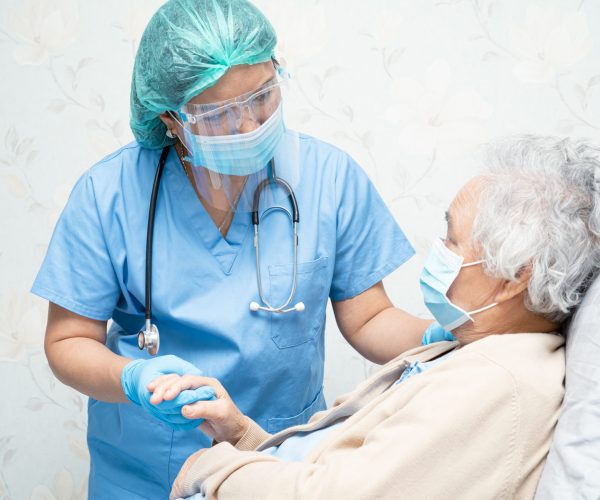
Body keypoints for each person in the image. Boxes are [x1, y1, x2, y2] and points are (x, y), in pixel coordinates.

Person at [31, 1, 432, 498]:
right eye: (221, 113)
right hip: (147, 471)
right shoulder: (108, 193)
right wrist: (132, 377)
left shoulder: (330, 177)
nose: (248, 126)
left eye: (262, 97)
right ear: (172, 118)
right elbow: (68, 340)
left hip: (278, 459)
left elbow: (370, 318)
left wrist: (446, 335)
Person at [166, 135, 600, 499]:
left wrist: (210, 467)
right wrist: (241, 435)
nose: (439, 250)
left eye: (452, 239)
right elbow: (347, 466)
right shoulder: (474, 352)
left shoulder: (493, 383)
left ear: (514, 278)